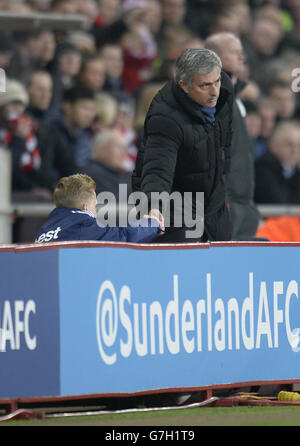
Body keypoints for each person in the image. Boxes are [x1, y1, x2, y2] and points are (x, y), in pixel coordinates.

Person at [132, 48, 234, 242]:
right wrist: (153, 209)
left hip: (215, 206)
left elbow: (225, 142)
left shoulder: (225, 89)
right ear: (184, 86)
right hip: (175, 209)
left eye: (217, 81)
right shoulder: (166, 118)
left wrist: (223, 176)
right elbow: (157, 169)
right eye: (205, 85)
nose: (214, 92)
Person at [204, 32, 260, 240]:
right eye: (234, 52)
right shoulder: (211, 98)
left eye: (241, 52)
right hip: (225, 202)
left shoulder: (235, 100)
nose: (241, 57)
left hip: (243, 201)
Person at [35, 173, 164, 243]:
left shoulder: (44, 229)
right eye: (94, 205)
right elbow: (124, 237)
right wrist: (152, 223)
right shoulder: (82, 225)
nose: (96, 210)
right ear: (85, 207)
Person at [254, 121, 300, 204]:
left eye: (298, 146)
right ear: (274, 145)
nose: (295, 150)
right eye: (289, 144)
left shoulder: (295, 171)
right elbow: (277, 200)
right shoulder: (262, 168)